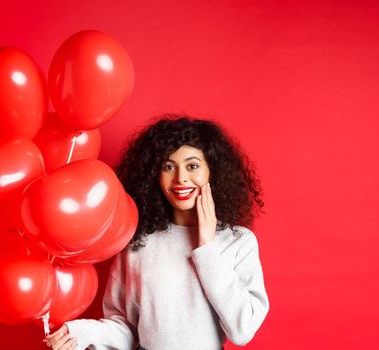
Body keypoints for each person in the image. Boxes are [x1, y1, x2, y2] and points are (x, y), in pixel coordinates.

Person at [44, 114, 269, 350]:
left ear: (212, 171)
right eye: (168, 166)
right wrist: (81, 333)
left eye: (192, 166)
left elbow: (243, 330)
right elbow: (126, 328)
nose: (180, 178)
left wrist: (207, 247)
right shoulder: (138, 241)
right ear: (155, 175)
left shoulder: (238, 242)